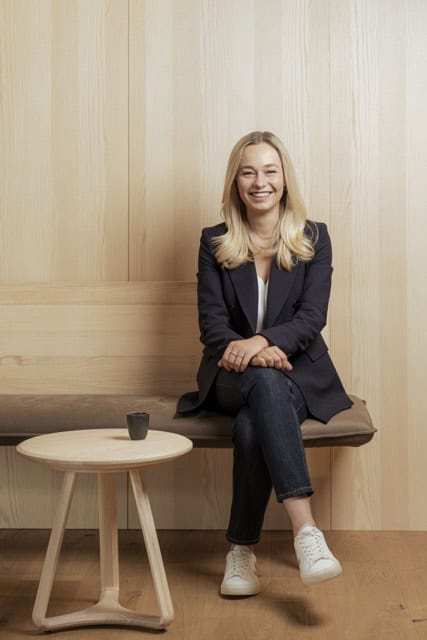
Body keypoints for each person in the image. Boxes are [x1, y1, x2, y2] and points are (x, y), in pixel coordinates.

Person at [177, 131, 352, 596]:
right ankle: (306, 531)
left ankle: (241, 552)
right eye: (249, 172)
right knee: (261, 378)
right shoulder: (214, 241)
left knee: (254, 422)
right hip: (229, 375)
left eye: (270, 171)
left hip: (299, 376)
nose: (260, 182)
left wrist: (260, 341)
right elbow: (212, 325)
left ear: (284, 179)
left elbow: (312, 318)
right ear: (235, 182)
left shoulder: (315, 238)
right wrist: (255, 352)